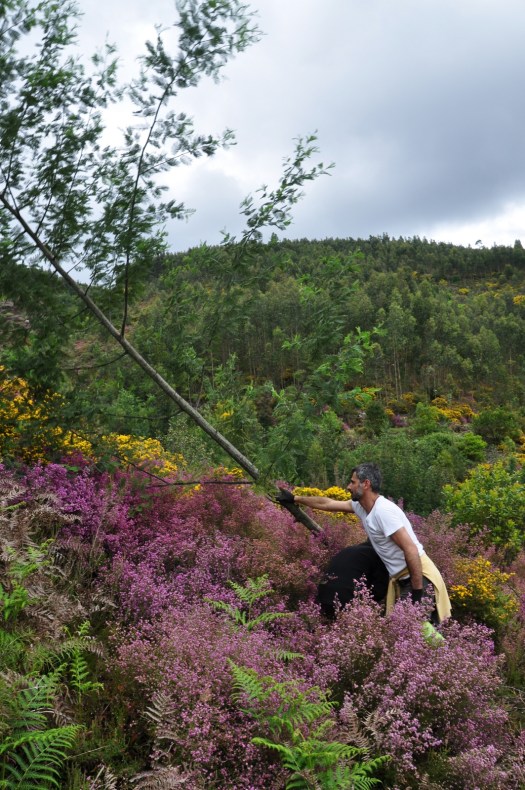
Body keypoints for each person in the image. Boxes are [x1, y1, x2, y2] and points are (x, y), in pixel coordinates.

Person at [276, 462, 451, 624]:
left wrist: (417, 592)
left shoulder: (383, 511)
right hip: (404, 580)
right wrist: (295, 498)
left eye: (353, 482)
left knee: (408, 635)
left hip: (420, 579)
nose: (348, 486)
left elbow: (411, 549)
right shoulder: (362, 507)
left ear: (365, 484)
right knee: (410, 635)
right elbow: (327, 503)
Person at [316, 540, 389, 618]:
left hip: (321, 600)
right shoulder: (377, 555)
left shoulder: (349, 550)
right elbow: (379, 591)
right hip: (347, 604)